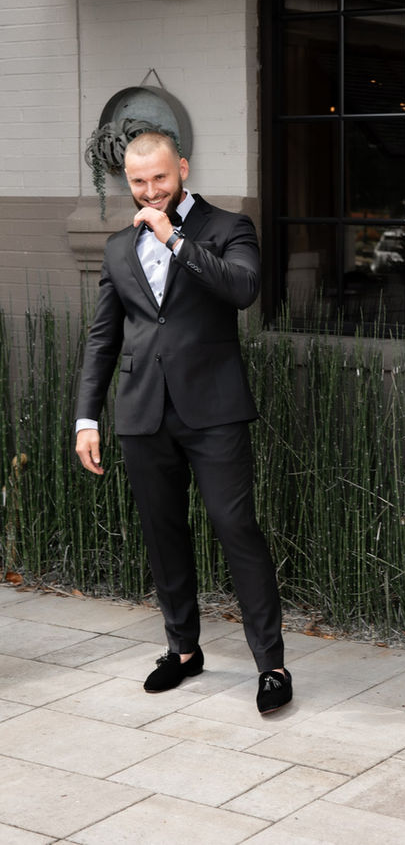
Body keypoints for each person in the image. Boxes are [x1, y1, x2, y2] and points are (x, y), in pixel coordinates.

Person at [75, 131, 292, 714]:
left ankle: (270, 664)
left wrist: (175, 240)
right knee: (163, 534)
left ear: (183, 169)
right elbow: (103, 338)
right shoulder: (118, 247)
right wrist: (85, 418)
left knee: (235, 527)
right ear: (128, 179)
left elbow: (243, 289)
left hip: (214, 411)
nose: (150, 192)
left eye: (161, 179)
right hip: (143, 411)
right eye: (139, 182)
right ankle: (183, 650)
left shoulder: (228, 227)